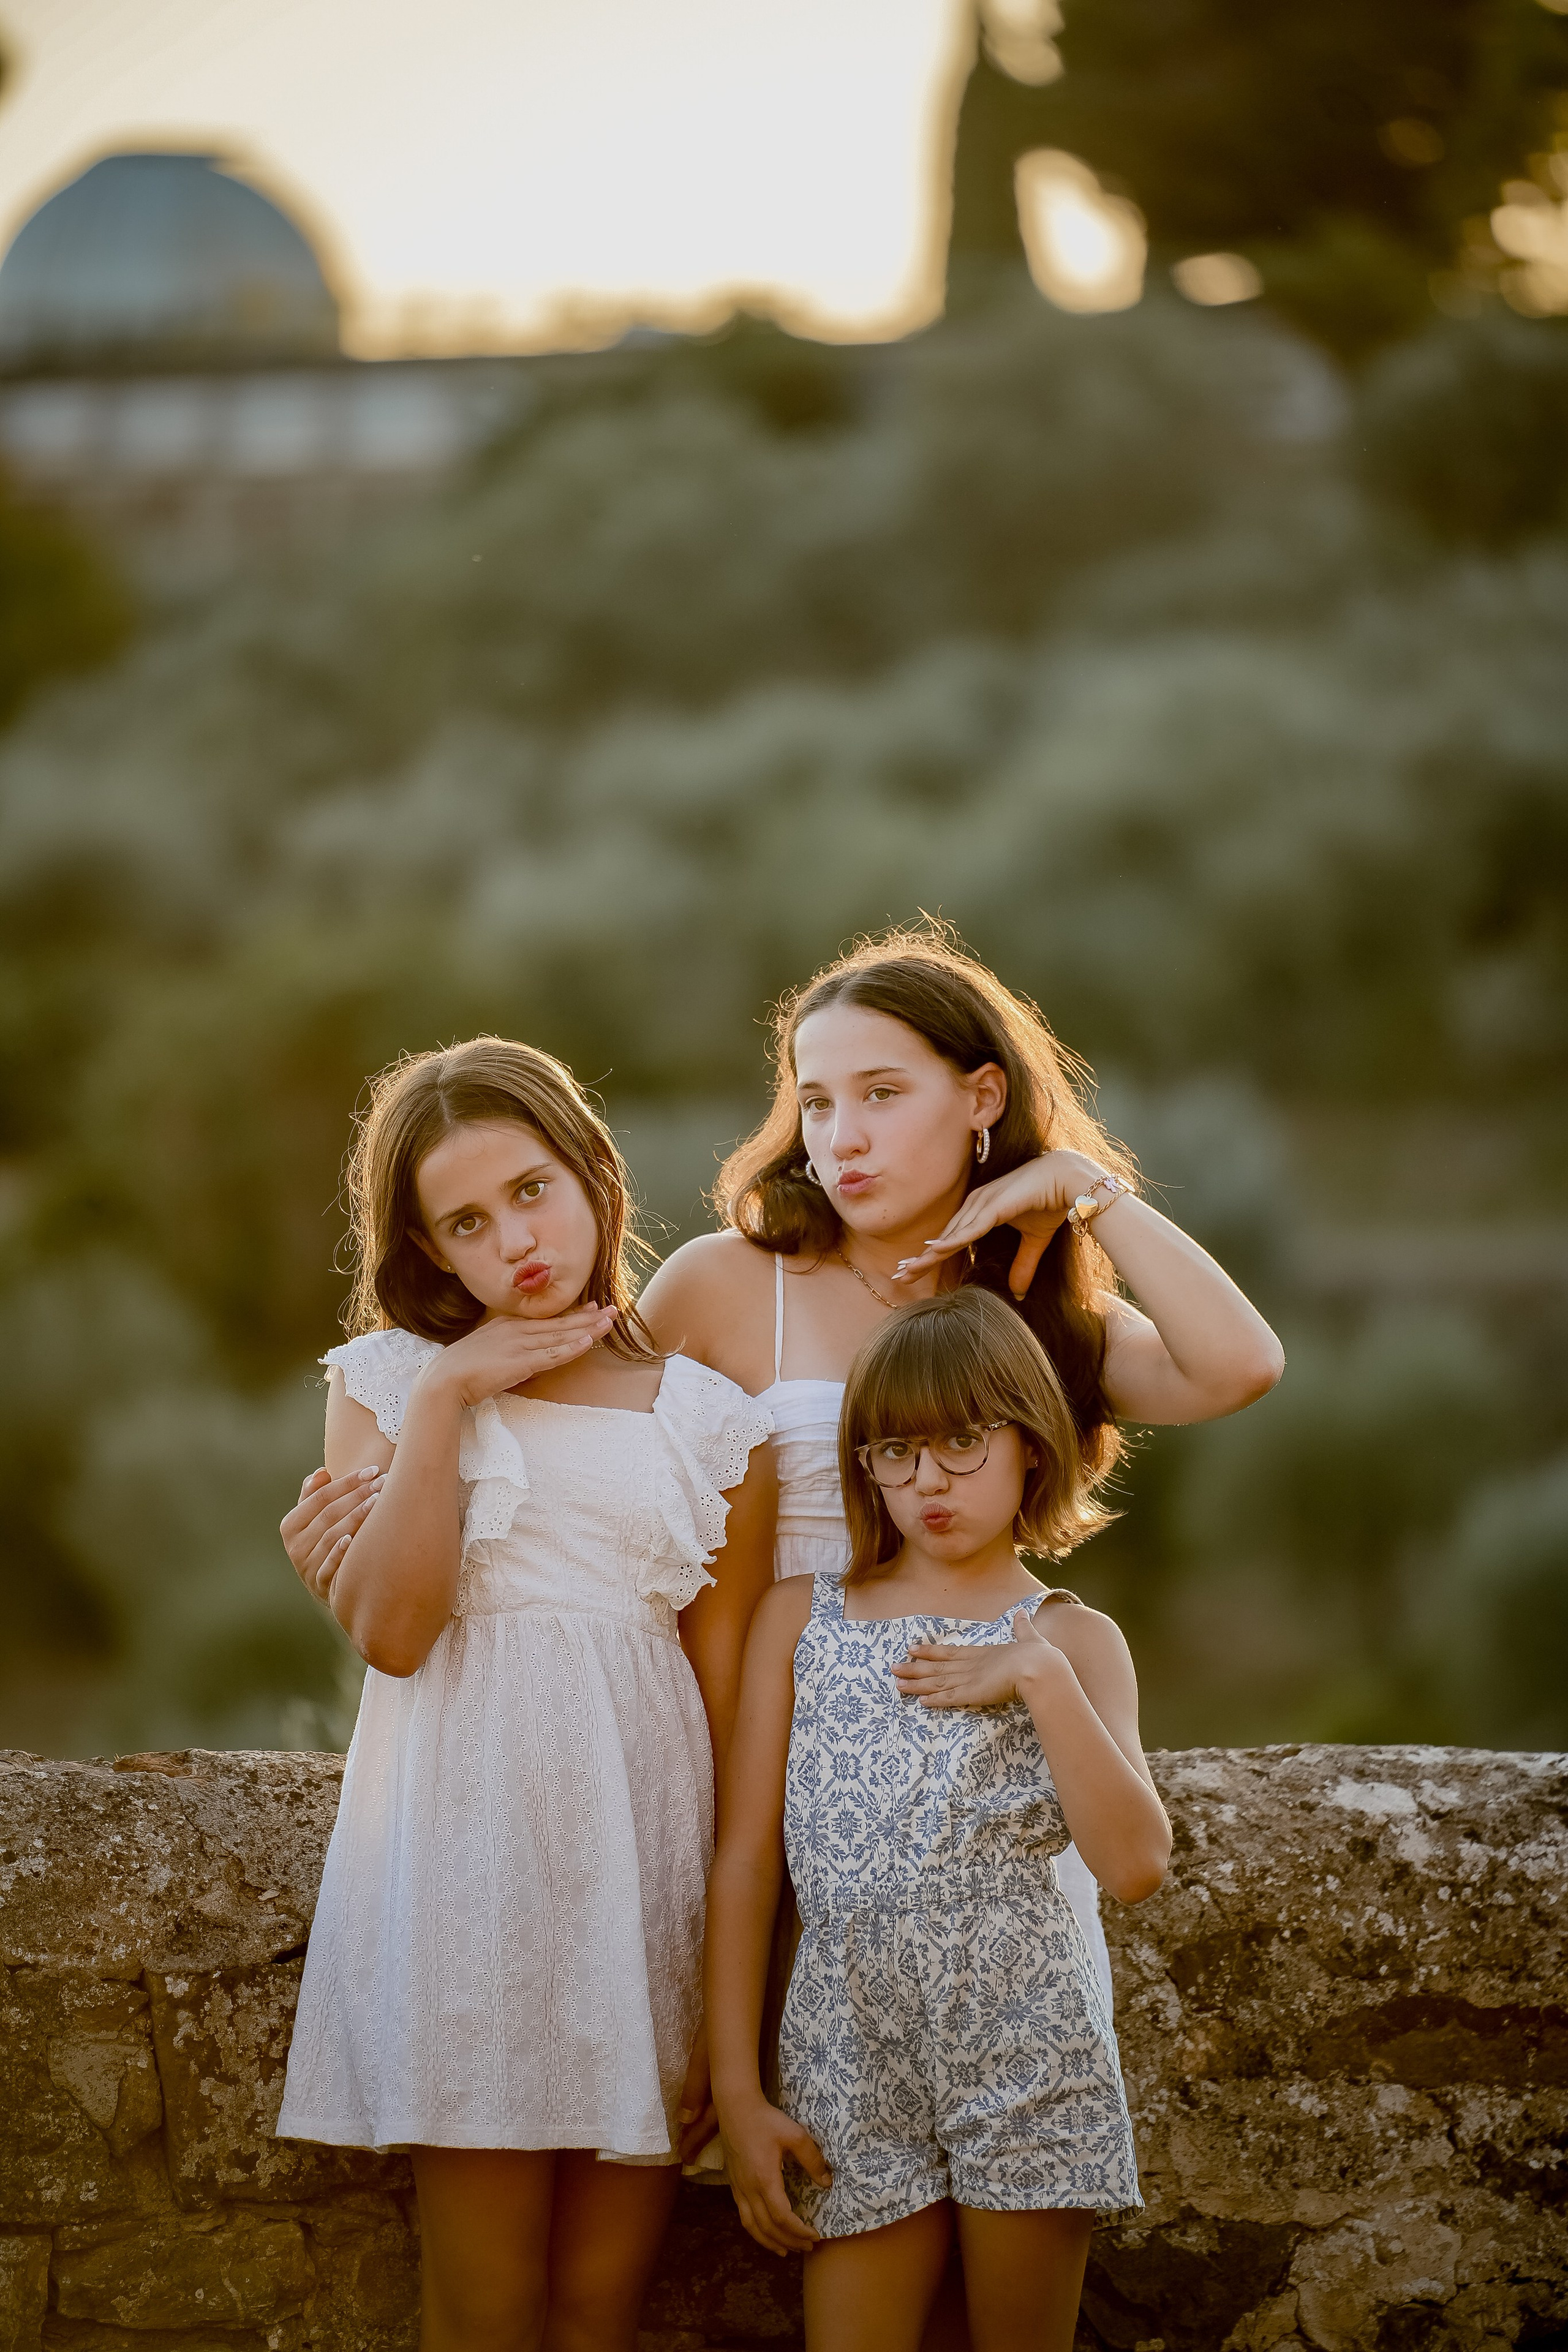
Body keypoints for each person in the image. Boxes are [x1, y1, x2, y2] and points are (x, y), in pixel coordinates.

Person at [274, 1036, 776, 2352]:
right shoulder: (388, 1385)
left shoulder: (707, 1420)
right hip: (465, 1880)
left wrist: (735, 2008)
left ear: (595, 1177)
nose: (516, 1240)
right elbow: (391, 1632)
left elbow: (725, 1708)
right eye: (467, 1223)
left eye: (533, 1190)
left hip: (638, 1880)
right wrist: (447, 1395)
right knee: (485, 2315)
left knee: (598, 2313)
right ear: (432, 1251)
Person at [706, 1287, 1170, 2352]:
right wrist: (739, 2088)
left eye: (964, 1442)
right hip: (845, 2045)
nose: (929, 1481)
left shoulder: (1074, 1638)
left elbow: (1138, 1864)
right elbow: (745, 1863)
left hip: (1027, 2037)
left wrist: (1040, 1680)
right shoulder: (801, 1619)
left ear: (1031, 1443)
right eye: (894, 1451)